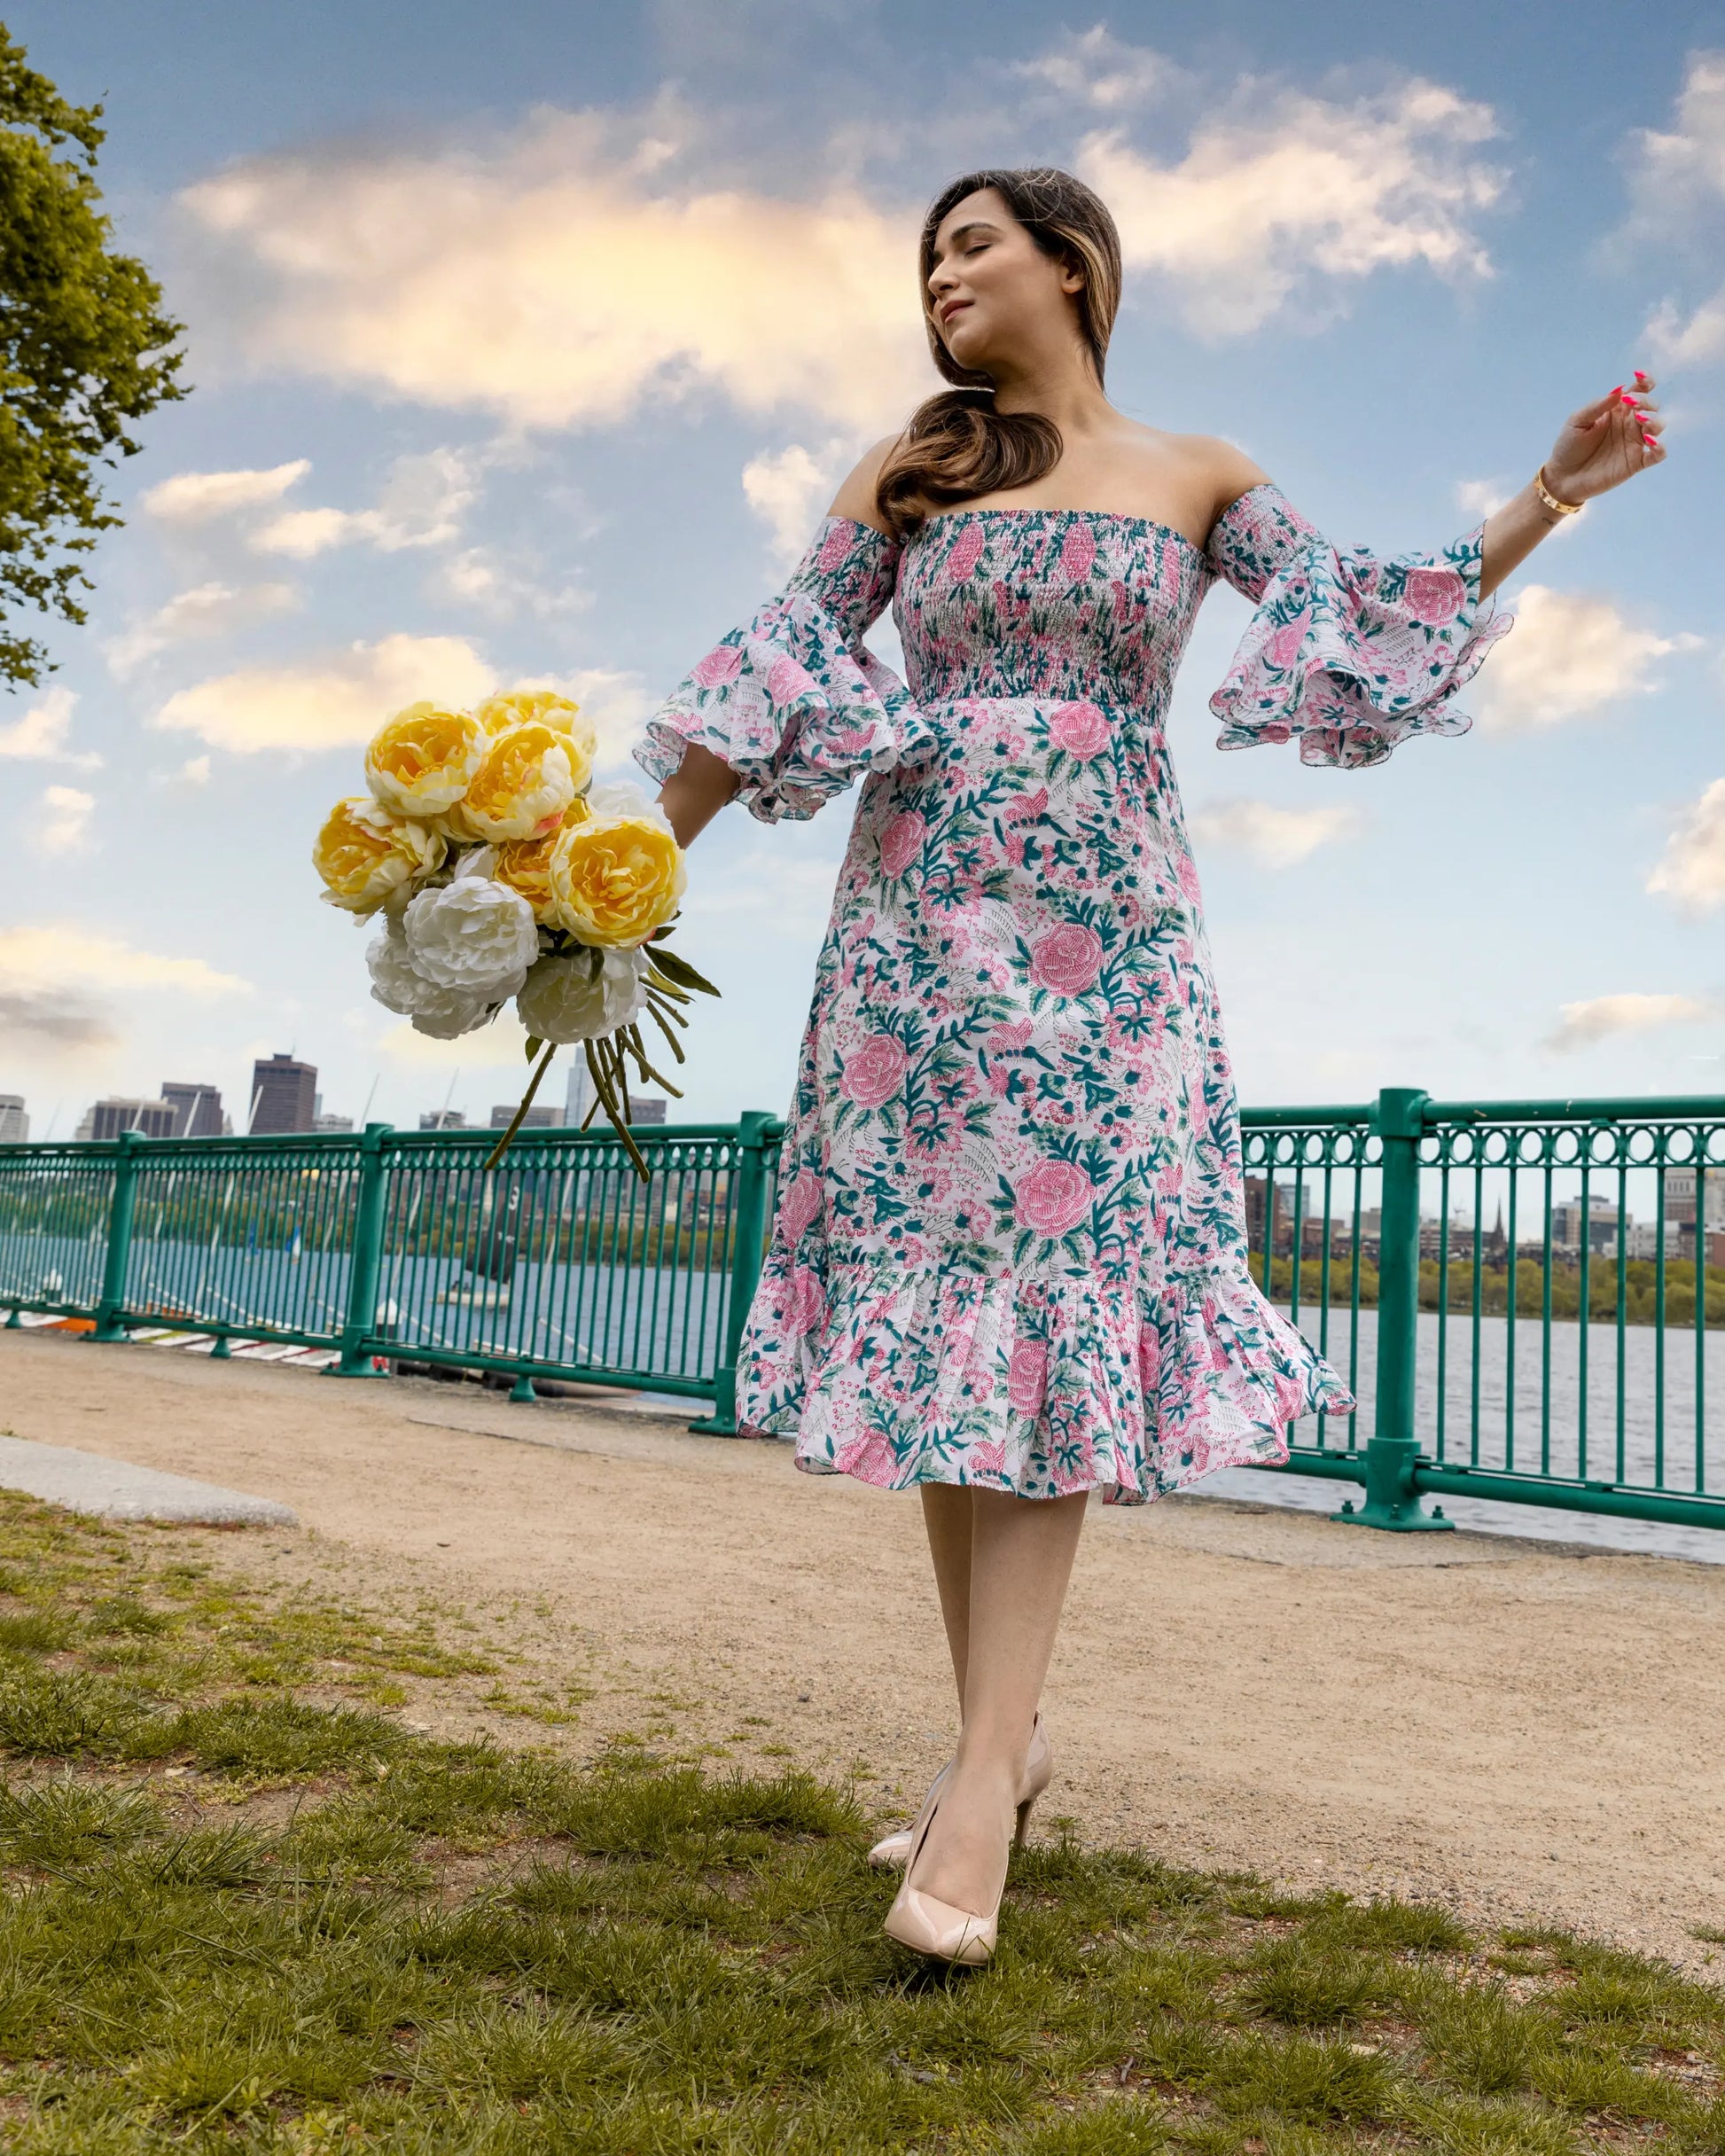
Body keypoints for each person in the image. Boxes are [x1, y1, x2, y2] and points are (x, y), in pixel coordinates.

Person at [635, 167, 1666, 1965]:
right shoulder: (909, 471)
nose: (940, 276)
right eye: (926, 257)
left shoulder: (1196, 472)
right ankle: (1002, 1746)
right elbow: (774, 669)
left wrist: (1550, 494)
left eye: (971, 243)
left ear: (1072, 264)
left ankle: (977, 1785)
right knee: (955, 1336)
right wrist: (618, 885)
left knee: (1044, 1305)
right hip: (913, 938)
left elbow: (1359, 610)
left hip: (1105, 941)